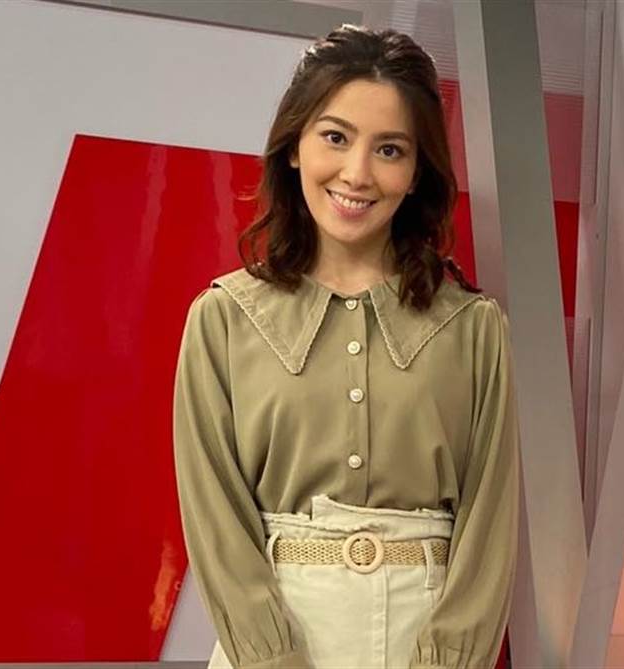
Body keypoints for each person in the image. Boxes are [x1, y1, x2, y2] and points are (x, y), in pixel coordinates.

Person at [172, 23, 520, 669]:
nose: (357, 174)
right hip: (275, 641)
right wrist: (271, 658)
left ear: (416, 172)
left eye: (390, 149)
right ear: (294, 146)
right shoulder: (222, 319)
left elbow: (490, 523)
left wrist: (447, 661)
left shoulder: (474, 328)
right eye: (335, 137)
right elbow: (215, 515)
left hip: (425, 637)